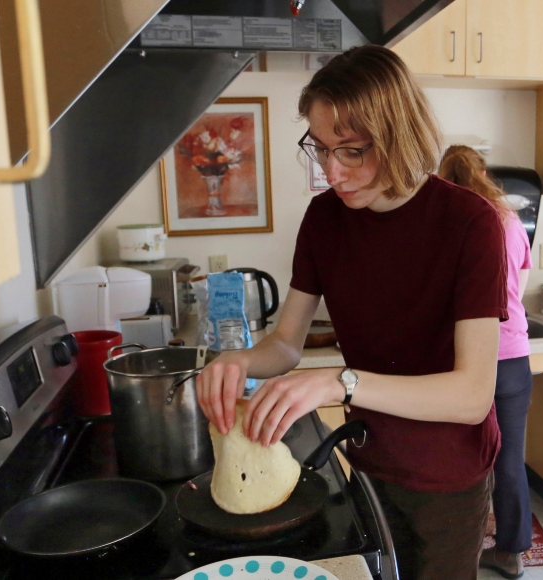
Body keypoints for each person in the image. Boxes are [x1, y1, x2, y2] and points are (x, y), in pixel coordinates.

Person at [195, 46, 509, 580]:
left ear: (399, 133)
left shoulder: (469, 224)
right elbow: (285, 343)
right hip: (365, 457)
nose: (332, 173)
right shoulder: (324, 220)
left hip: (446, 475)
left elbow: (471, 396)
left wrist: (338, 382)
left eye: (352, 151)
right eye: (319, 150)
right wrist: (237, 361)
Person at [439, 145, 534, 579]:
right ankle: (511, 551)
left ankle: (459, 549)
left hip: (467, 357)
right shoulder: (511, 220)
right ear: (482, 172)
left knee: (460, 458)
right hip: (513, 353)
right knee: (509, 459)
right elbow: (523, 281)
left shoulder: (450, 220)